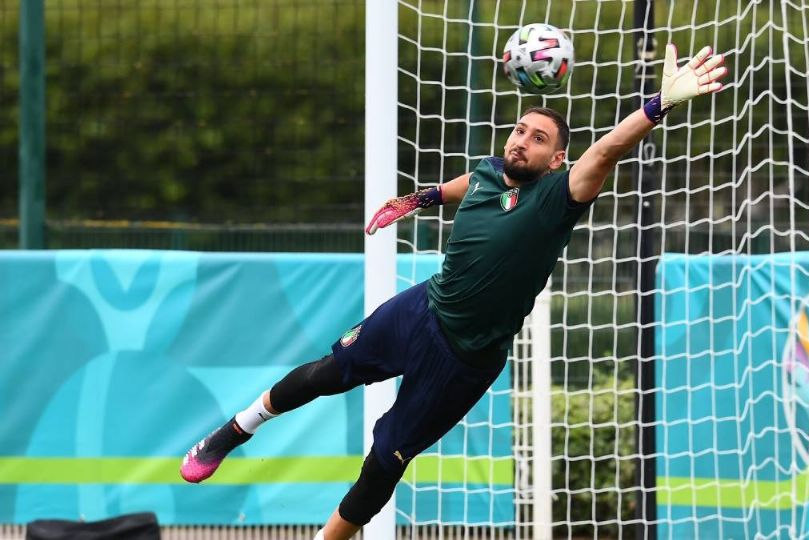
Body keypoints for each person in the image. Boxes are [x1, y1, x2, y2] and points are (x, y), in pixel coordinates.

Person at [180, 43, 726, 540]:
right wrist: (419, 199)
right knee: (327, 372)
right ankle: (231, 433)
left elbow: (606, 150)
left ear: (558, 160)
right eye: (520, 130)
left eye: (540, 139)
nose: (523, 141)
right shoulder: (490, 172)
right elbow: (462, 184)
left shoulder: (561, 195)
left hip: (464, 360)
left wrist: (658, 106)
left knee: (385, 462)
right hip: (422, 308)